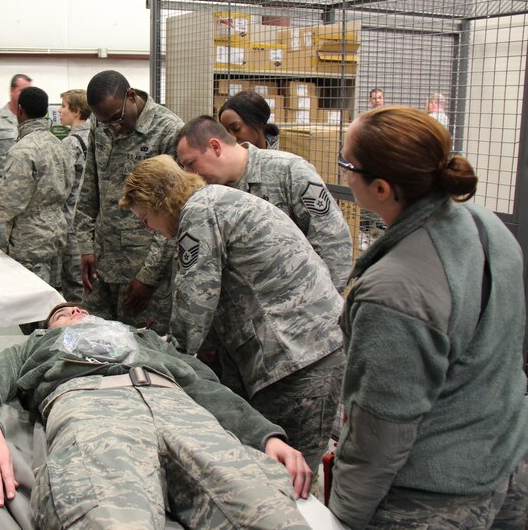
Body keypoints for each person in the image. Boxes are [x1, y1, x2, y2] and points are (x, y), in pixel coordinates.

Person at [0, 302, 314, 530]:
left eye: (81, 309)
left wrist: (265, 435)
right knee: (109, 516)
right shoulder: (35, 345)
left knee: (265, 507)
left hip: (178, 409)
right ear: (46, 329)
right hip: (92, 408)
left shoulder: (143, 339)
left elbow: (207, 387)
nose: (75, 311)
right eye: (62, 314)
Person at [329, 106, 527, 530]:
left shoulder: (395, 290)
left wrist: (342, 515)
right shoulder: (487, 226)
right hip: (505, 457)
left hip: (433, 497)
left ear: (381, 187)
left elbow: (381, 432)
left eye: (346, 164)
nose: (343, 173)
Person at [120, 155, 345, 473]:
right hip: (307, 349)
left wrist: (171, 361)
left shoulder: (200, 212)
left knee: (288, 474)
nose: (148, 228)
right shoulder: (216, 201)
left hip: (297, 359)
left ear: (159, 201)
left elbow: (195, 298)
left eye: (145, 218)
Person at [176, 115, 352, 292]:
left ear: (215, 147)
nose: (191, 174)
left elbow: (333, 241)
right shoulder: (208, 195)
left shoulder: (289, 171)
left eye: (191, 163)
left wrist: (325, 304)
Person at [75, 70, 182, 334]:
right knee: (94, 339)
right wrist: (85, 247)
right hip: (103, 261)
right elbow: (90, 186)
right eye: (105, 122)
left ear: (131, 96)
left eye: (117, 119)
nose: (115, 127)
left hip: (143, 268)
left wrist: (148, 276)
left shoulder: (168, 131)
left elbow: (173, 212)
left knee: (143, 349)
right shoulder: (101, 124)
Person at [0, 86, 75, 284]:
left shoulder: (22, 150)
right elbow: (69, 184)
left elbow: (11, 202)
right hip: (56, 234)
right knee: (52, 299)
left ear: (20, 109)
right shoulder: (60, 144)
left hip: (29, 242)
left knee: (30, 305)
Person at [0, 74, 32, 251]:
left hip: (28, 198)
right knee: (3, 245)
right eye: (23, 90)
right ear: (12, 91)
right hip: (2, 195)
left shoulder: (32, 121)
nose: (27, 94)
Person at [55, 88, 91, 302]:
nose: (60, 110)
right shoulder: (96, 136)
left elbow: (61, 185)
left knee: (75, 283)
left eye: (64, 106)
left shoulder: (71, 143)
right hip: (90, 222)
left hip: (72, 223)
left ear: (77, 112)